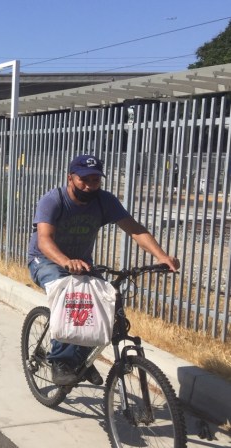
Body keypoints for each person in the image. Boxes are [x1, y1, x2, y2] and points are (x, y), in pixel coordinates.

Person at [28, 154, 179, 386]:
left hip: (82, 264)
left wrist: (162, 256)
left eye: (95, 181)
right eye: (84, 180)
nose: (90, 186)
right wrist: (66, 261)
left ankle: (81, 360)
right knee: (74, 296)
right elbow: (44, 241)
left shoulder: (103, 201)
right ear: (71, 178)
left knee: (109, 299)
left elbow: (135, 229)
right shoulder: (53, 200)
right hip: (46, 260)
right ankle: (61, 361)